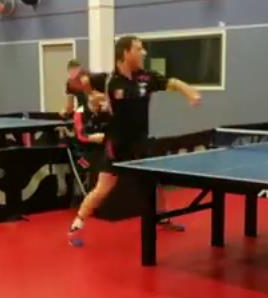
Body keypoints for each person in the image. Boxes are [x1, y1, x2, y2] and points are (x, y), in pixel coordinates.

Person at [68, 35, 202, 247]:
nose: (143, 53)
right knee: (102, 189)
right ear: (125, 52)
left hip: (140, 142)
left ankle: (162, 217)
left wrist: (190, 93)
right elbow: (80, 82)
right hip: (117, 144)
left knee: (154, 183)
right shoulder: (109, 80)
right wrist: (93, 97)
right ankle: (76, 226)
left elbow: (173, 83)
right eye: (139, 49)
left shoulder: (147, 78)